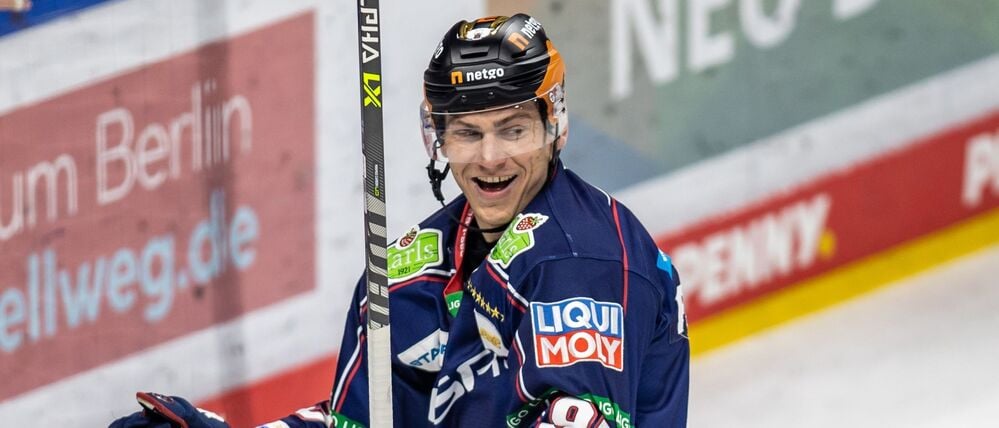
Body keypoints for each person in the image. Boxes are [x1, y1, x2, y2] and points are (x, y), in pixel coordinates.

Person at [111, 13, 689, 428]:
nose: (489, 158)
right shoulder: (411, 275)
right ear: (435, 137)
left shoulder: (581, 261)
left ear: (553, 126)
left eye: (513, 129)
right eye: (467, 133)